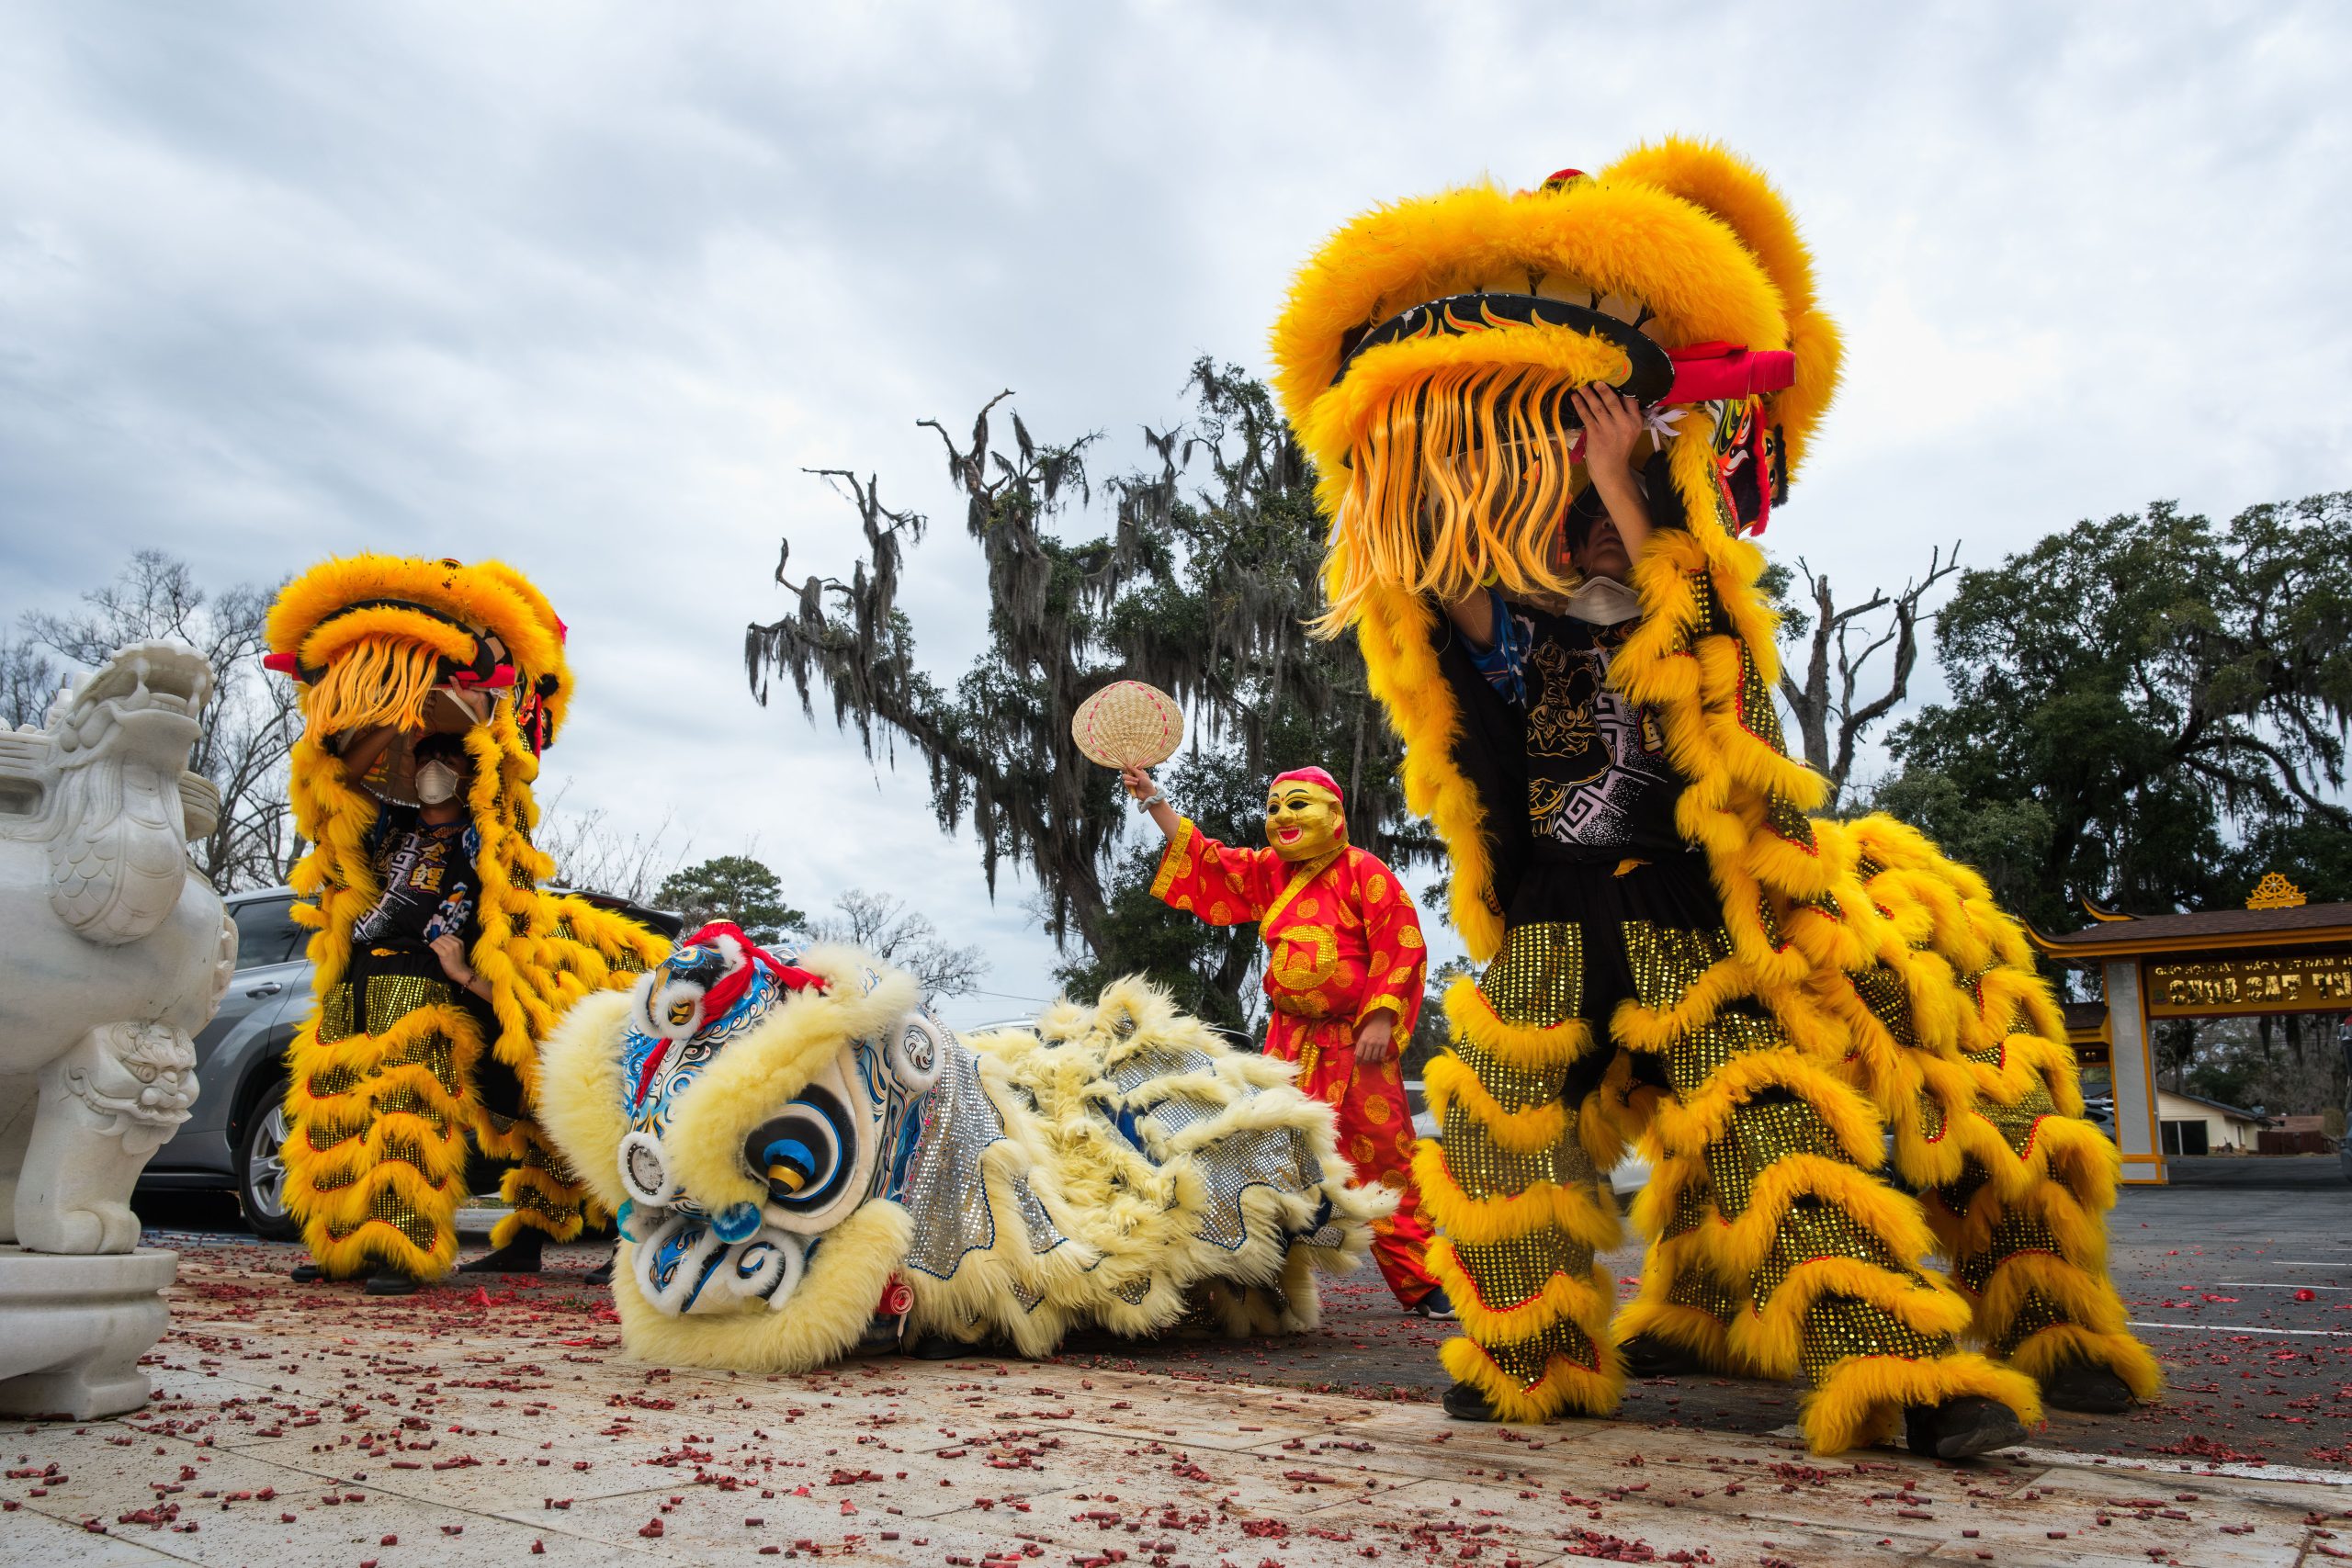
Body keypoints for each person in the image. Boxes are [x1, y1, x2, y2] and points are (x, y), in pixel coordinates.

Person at [1122, 761, 1451, 1317]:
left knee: (1386, 1159)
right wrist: (1154, 800)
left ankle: (1422, 1279)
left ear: (1334, 813)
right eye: (1274, 808)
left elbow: (1403, 942)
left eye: (1297, 805)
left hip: (1356, 1042)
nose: (1282, 817)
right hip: (1289, 1043)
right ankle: (1262, 1282)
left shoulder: (1363, 870)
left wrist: (1379, 1017)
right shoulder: (1272, 871)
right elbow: (1210, 861)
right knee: (1272, 1154)